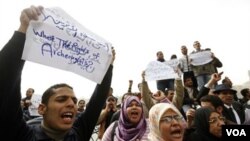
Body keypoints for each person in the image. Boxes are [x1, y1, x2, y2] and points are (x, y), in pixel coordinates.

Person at [0, 5, 115, 141]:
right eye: (61, 99)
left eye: (74, 100)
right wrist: (23, 31)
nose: (71, 104)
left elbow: (98, 99)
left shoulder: (78, 134)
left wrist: (107, 66)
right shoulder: (20, 134)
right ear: (42, 109)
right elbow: (6, 79)